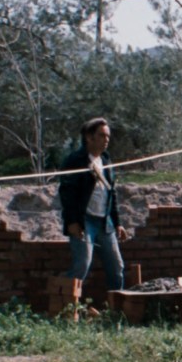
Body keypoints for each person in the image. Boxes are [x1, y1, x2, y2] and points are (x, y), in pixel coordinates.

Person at [58, 117, 128, 290]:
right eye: (102, 136)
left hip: (105, 222)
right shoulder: (75, 161)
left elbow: (112, 194)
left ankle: (116, 309)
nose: (106, 140)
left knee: (117, 267)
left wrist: (117, 223)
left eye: (108, 137)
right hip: (84, 221)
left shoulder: (105, 161)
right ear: (89, 137)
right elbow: (67, 194)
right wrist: (72, 222)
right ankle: (65, 306)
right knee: (82, 264)